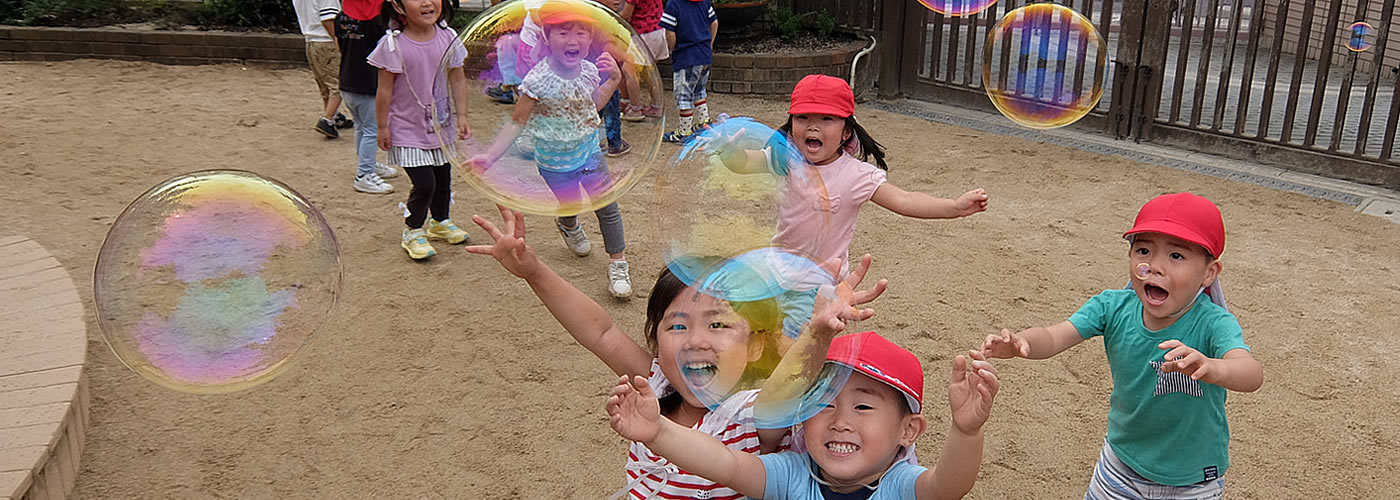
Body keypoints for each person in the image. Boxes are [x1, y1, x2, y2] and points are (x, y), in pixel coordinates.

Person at [466, 205, 890, 499]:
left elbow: (786, 388)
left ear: (756, 342)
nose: (694, 339)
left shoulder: (752, 413)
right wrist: (534, 272)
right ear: (656, 337)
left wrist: (816, 331)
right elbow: (600, 331)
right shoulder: (656, 383)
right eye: (677, 324)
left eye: (718, 323)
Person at [981, 192, 1265, 499]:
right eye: (1143, 250)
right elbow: (1055, 335)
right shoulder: (1112, 306)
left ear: (1209, 273)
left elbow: (1250, 372)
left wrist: (1215, 367)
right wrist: (1023, 342)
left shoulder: (1214, 322)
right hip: (1121, 465)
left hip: (1193, 479)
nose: (1154, 266)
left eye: (1176, 256)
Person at [711, 74, 989, 339]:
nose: (812, 126)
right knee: (758, 338)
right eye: (803, 117)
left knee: (798, 348)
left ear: (846, 132)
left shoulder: (855, 175)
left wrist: (953, 207)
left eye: (826, 119)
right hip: (774, 274)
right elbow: (744, 163)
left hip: (818, 288)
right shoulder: (788, 160)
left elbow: (904, 200)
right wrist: (728, 151)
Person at [607, 328, 1000, 499]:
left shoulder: (900, 485)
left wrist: (966, 433)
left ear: (908, 430)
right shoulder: (793, 474)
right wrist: (658, 431)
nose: (840, 419)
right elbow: (723, 463)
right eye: (822, 402)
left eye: (863, 406)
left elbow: (947, 487)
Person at [469, 0, 634, 297]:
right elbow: (517, 122)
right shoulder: (537, 80)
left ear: (590, 38)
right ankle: (568, 223)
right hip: (554, 163)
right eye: (563, 32)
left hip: (589, 152)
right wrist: (490, 157)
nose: (573, 40)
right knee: (569, 203)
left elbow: (591, 106)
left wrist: (613, 81)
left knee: (607, 208)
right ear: (546, 37)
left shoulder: (587, 71)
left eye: (581, 32)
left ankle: (618, 262)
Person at [369, 0, 472, 259]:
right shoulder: (393, 46)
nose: (427, 2)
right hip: (406, 128)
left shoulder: (448, 37)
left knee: (443, 178)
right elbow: (385, 90)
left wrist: (462, 115)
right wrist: (382, 126)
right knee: (425, 184)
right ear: (398, 6)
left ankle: (439, 222)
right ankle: (413, 230)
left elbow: (458, 78)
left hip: (440, 125)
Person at [335, 0, 400, 194]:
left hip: (347, 82)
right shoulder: (377, 21)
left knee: (361, 126)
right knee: (372, 130)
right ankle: (364, 175)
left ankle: (368, 164)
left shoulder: (341, 17)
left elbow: (340, 45)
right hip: (368, 84)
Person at [294, 0, 354, 138]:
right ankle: (327, 119)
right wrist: (338, 39)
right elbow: (328, 19)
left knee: (324, 83)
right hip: (326, 42)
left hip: (311, 41)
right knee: (339, 84)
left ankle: (334, 115)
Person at [659, 0, 717, 142]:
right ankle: (705, 123)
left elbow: (669, 33)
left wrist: (673, 49)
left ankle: (685, 132)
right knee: (699, 90)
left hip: (686, 57)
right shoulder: (704, 2)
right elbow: (714, 23)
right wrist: (709, 44)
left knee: (683, 94)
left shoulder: (674, 4)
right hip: (704, 55)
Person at [619, 0, 665, 120]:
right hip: (658, 31)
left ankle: (635, 109)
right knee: (648, 71)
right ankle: (657, 106)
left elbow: (626, 15)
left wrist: (611, 18)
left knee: (629, 70)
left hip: (643, 34)